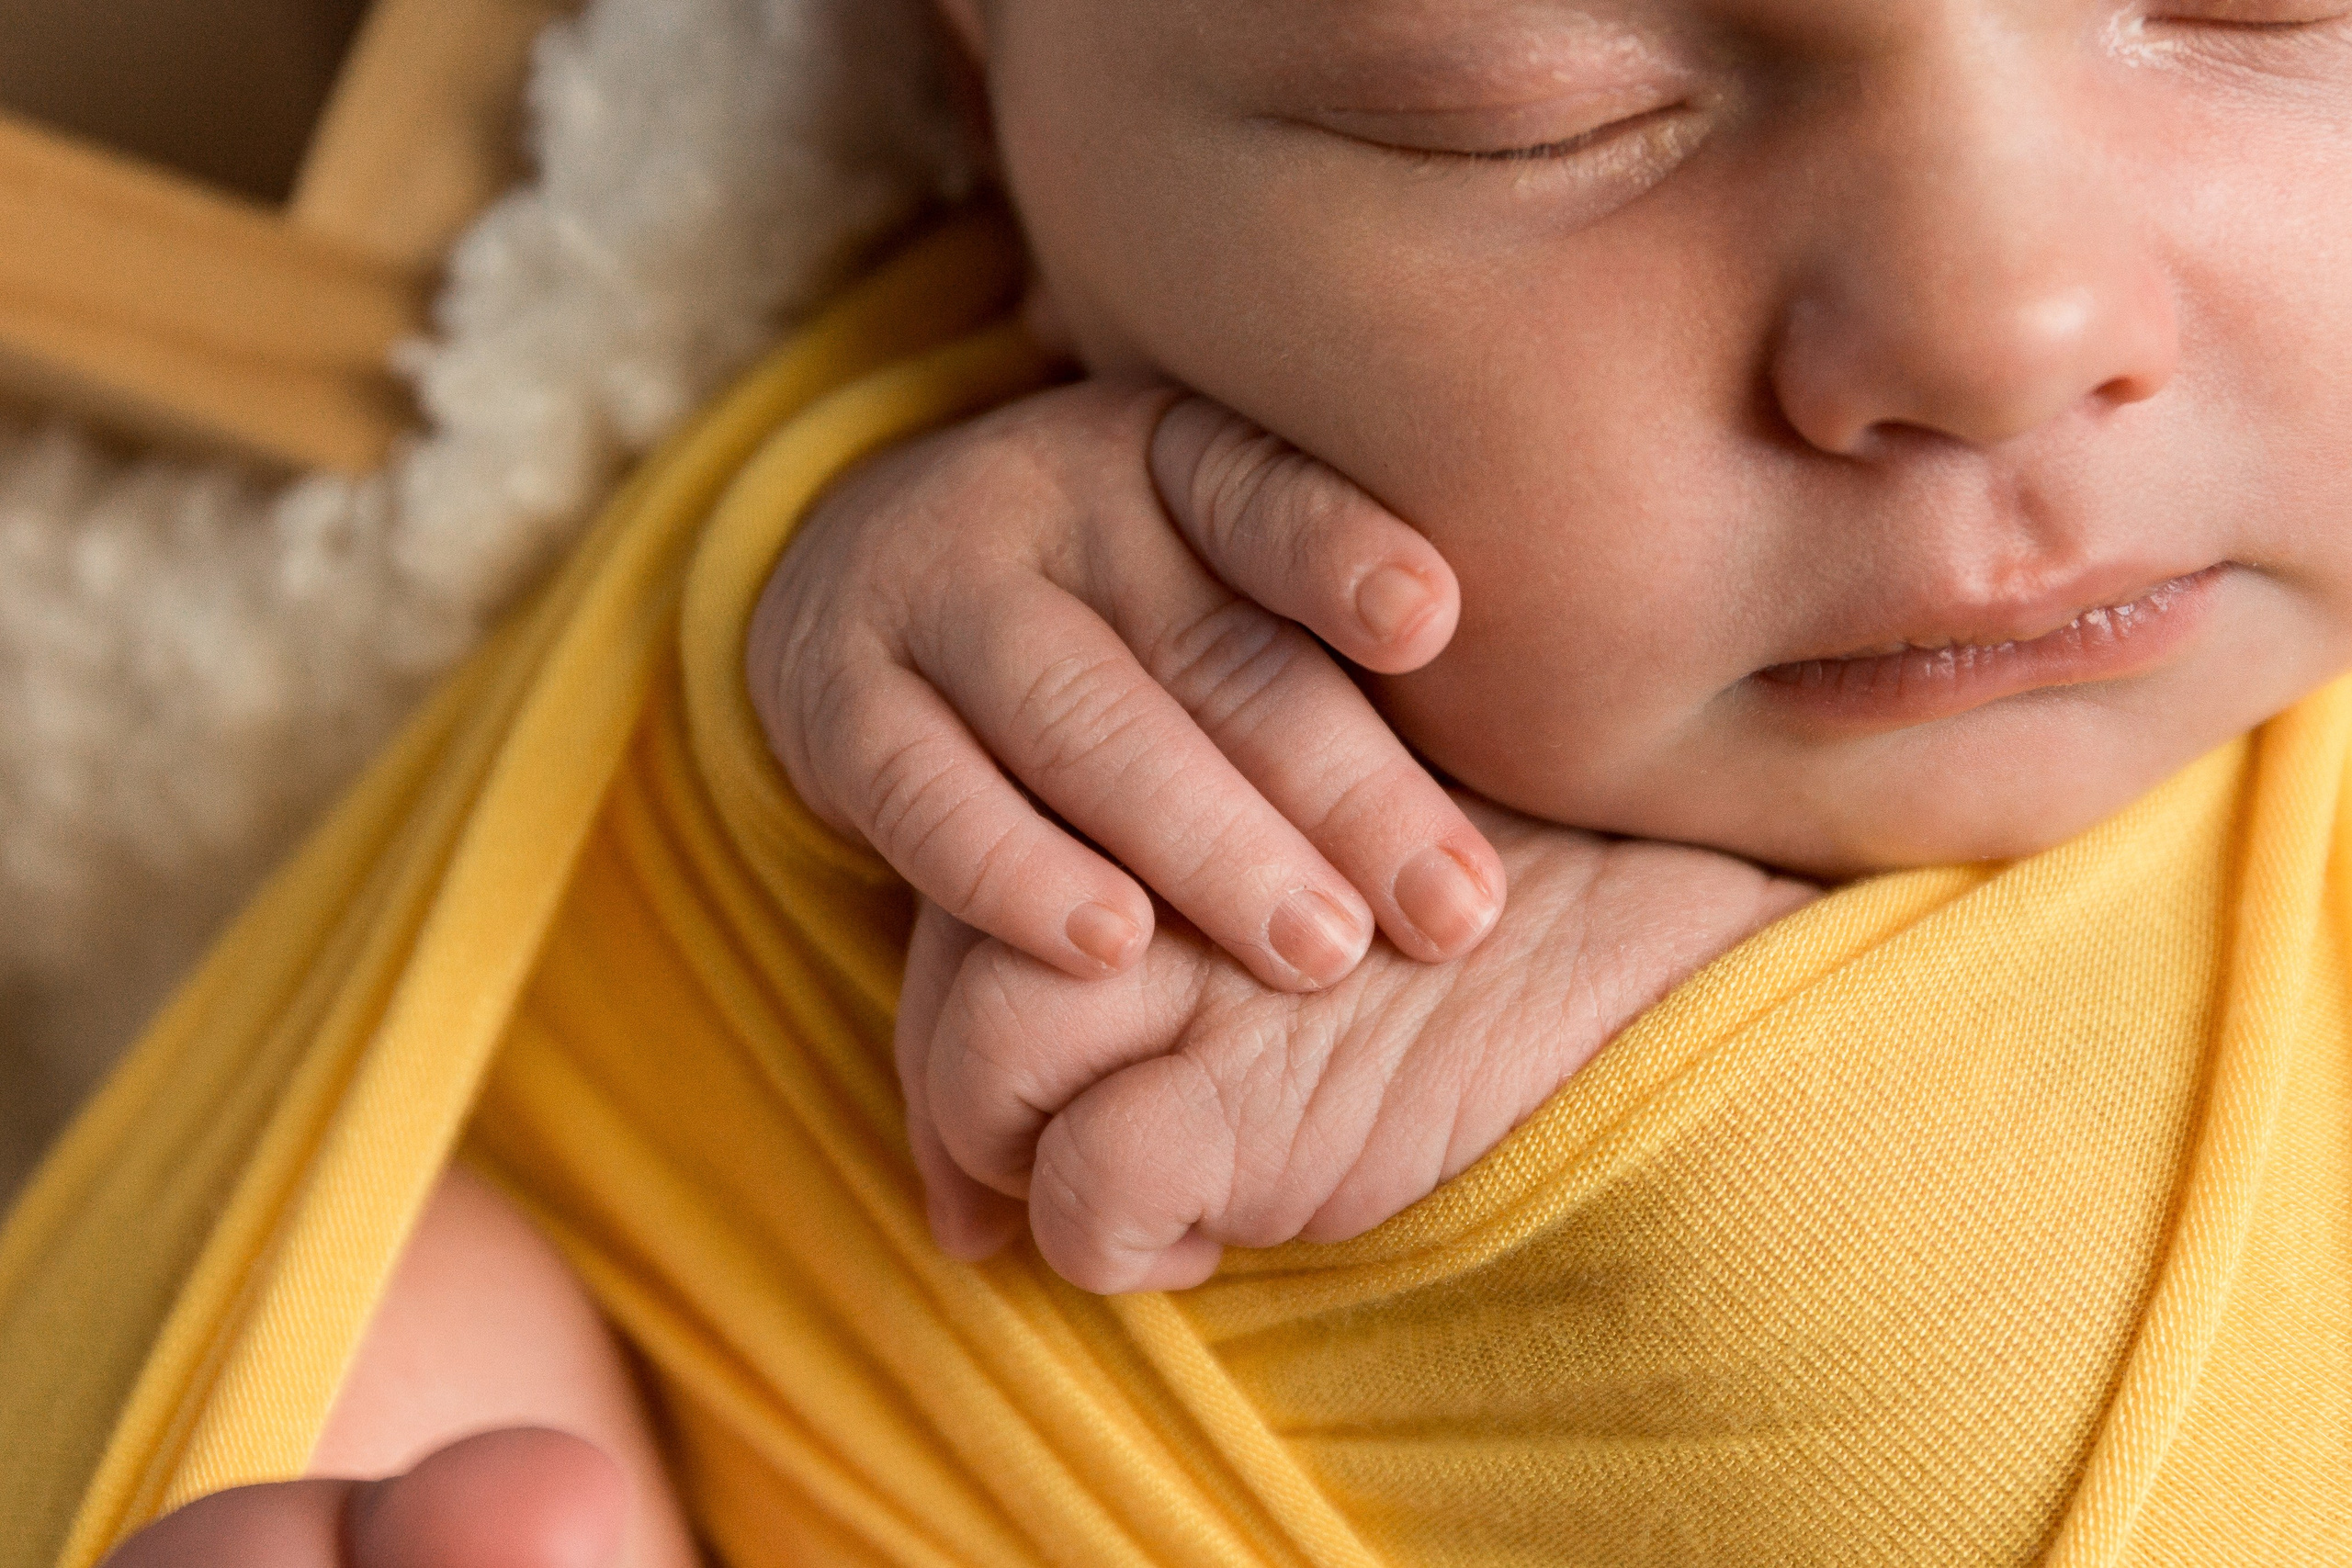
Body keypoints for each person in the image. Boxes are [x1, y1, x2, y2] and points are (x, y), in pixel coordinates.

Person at [38, 0, 2352, 1562]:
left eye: (2258, 2)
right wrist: (866, 621)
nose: (2003, 324)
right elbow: (523, 1119)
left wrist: (1670, 1060)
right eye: (1524, 96)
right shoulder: (850, 651)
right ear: (982, 94)